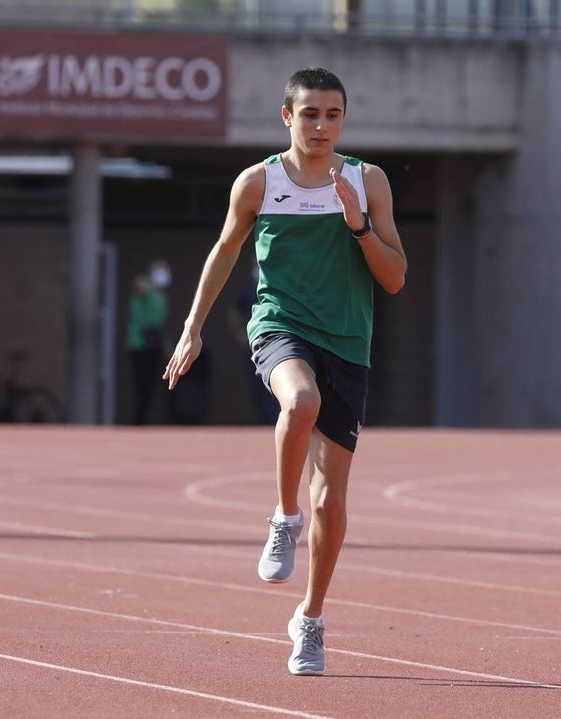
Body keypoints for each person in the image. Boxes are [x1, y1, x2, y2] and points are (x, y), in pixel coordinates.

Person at [163, 67, 406, 676]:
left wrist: (358, 225)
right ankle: (282, 516)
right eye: (310, 114)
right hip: (281, 324)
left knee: (334, 501)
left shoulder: (367, 181)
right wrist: (192, 327)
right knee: (299, 402)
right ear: (287, 117)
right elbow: (224, 251)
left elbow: (396, 277)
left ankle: (311, 620)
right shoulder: (259, 182)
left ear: (343, 121)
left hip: (348, 339)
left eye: (333, 115)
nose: (321, 125)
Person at [226, 260, 280, 425]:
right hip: (254, 346)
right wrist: (241, 335)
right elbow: (233, 311)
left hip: (275, 345)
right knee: (256, 385)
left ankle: (276, 419)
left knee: (277, 383)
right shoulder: (248, 291)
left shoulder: (278, 288)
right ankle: (263, 420)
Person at [125, 260, 170, 425]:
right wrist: (143, 281)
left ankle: (144, 419)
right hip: (138, 345)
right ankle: (138, 420)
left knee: (150, 386)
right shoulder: (146, 290)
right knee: (139, 384)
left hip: (154, 345)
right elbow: (139, 286)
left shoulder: (162, 297)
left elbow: (160, 324)